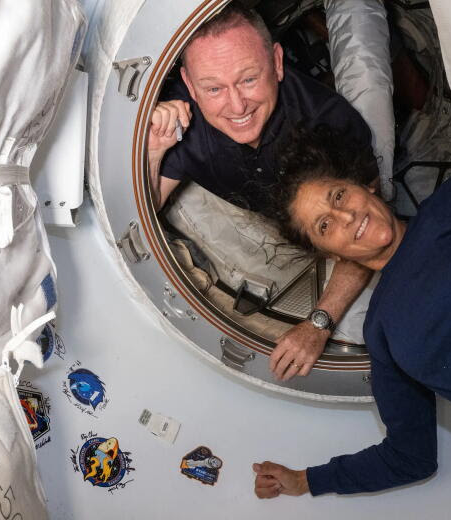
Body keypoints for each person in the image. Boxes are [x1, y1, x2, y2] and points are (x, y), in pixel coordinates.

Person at [253, 124, 451, 497]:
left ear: (365, 184)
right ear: (331, 254)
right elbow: (410, 455)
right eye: (325, 225)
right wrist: (307, 480)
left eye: (339, 195)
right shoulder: (381, 332)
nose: (345, 218)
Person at [147, 4, 376, 379]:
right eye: (214, 88)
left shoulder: (329, 123)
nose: (236, 106)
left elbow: (370, 232)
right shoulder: (181, 119)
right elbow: (146, 205)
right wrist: (155, 149)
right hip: (260, 217)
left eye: (249, 79)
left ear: (277, 62)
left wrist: (319, 323)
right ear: (189, 85)